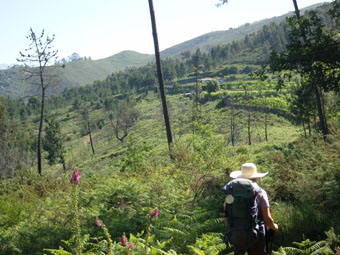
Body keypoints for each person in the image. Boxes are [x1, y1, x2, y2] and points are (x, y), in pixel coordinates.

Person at [223, 163, 279, 255]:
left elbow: (226, 217)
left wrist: (234, 231)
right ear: (255, 177)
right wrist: (274, 227)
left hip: (236, 233)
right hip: (256, 233)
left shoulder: (231, 193)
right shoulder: (260, 192)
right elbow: (267, 219)